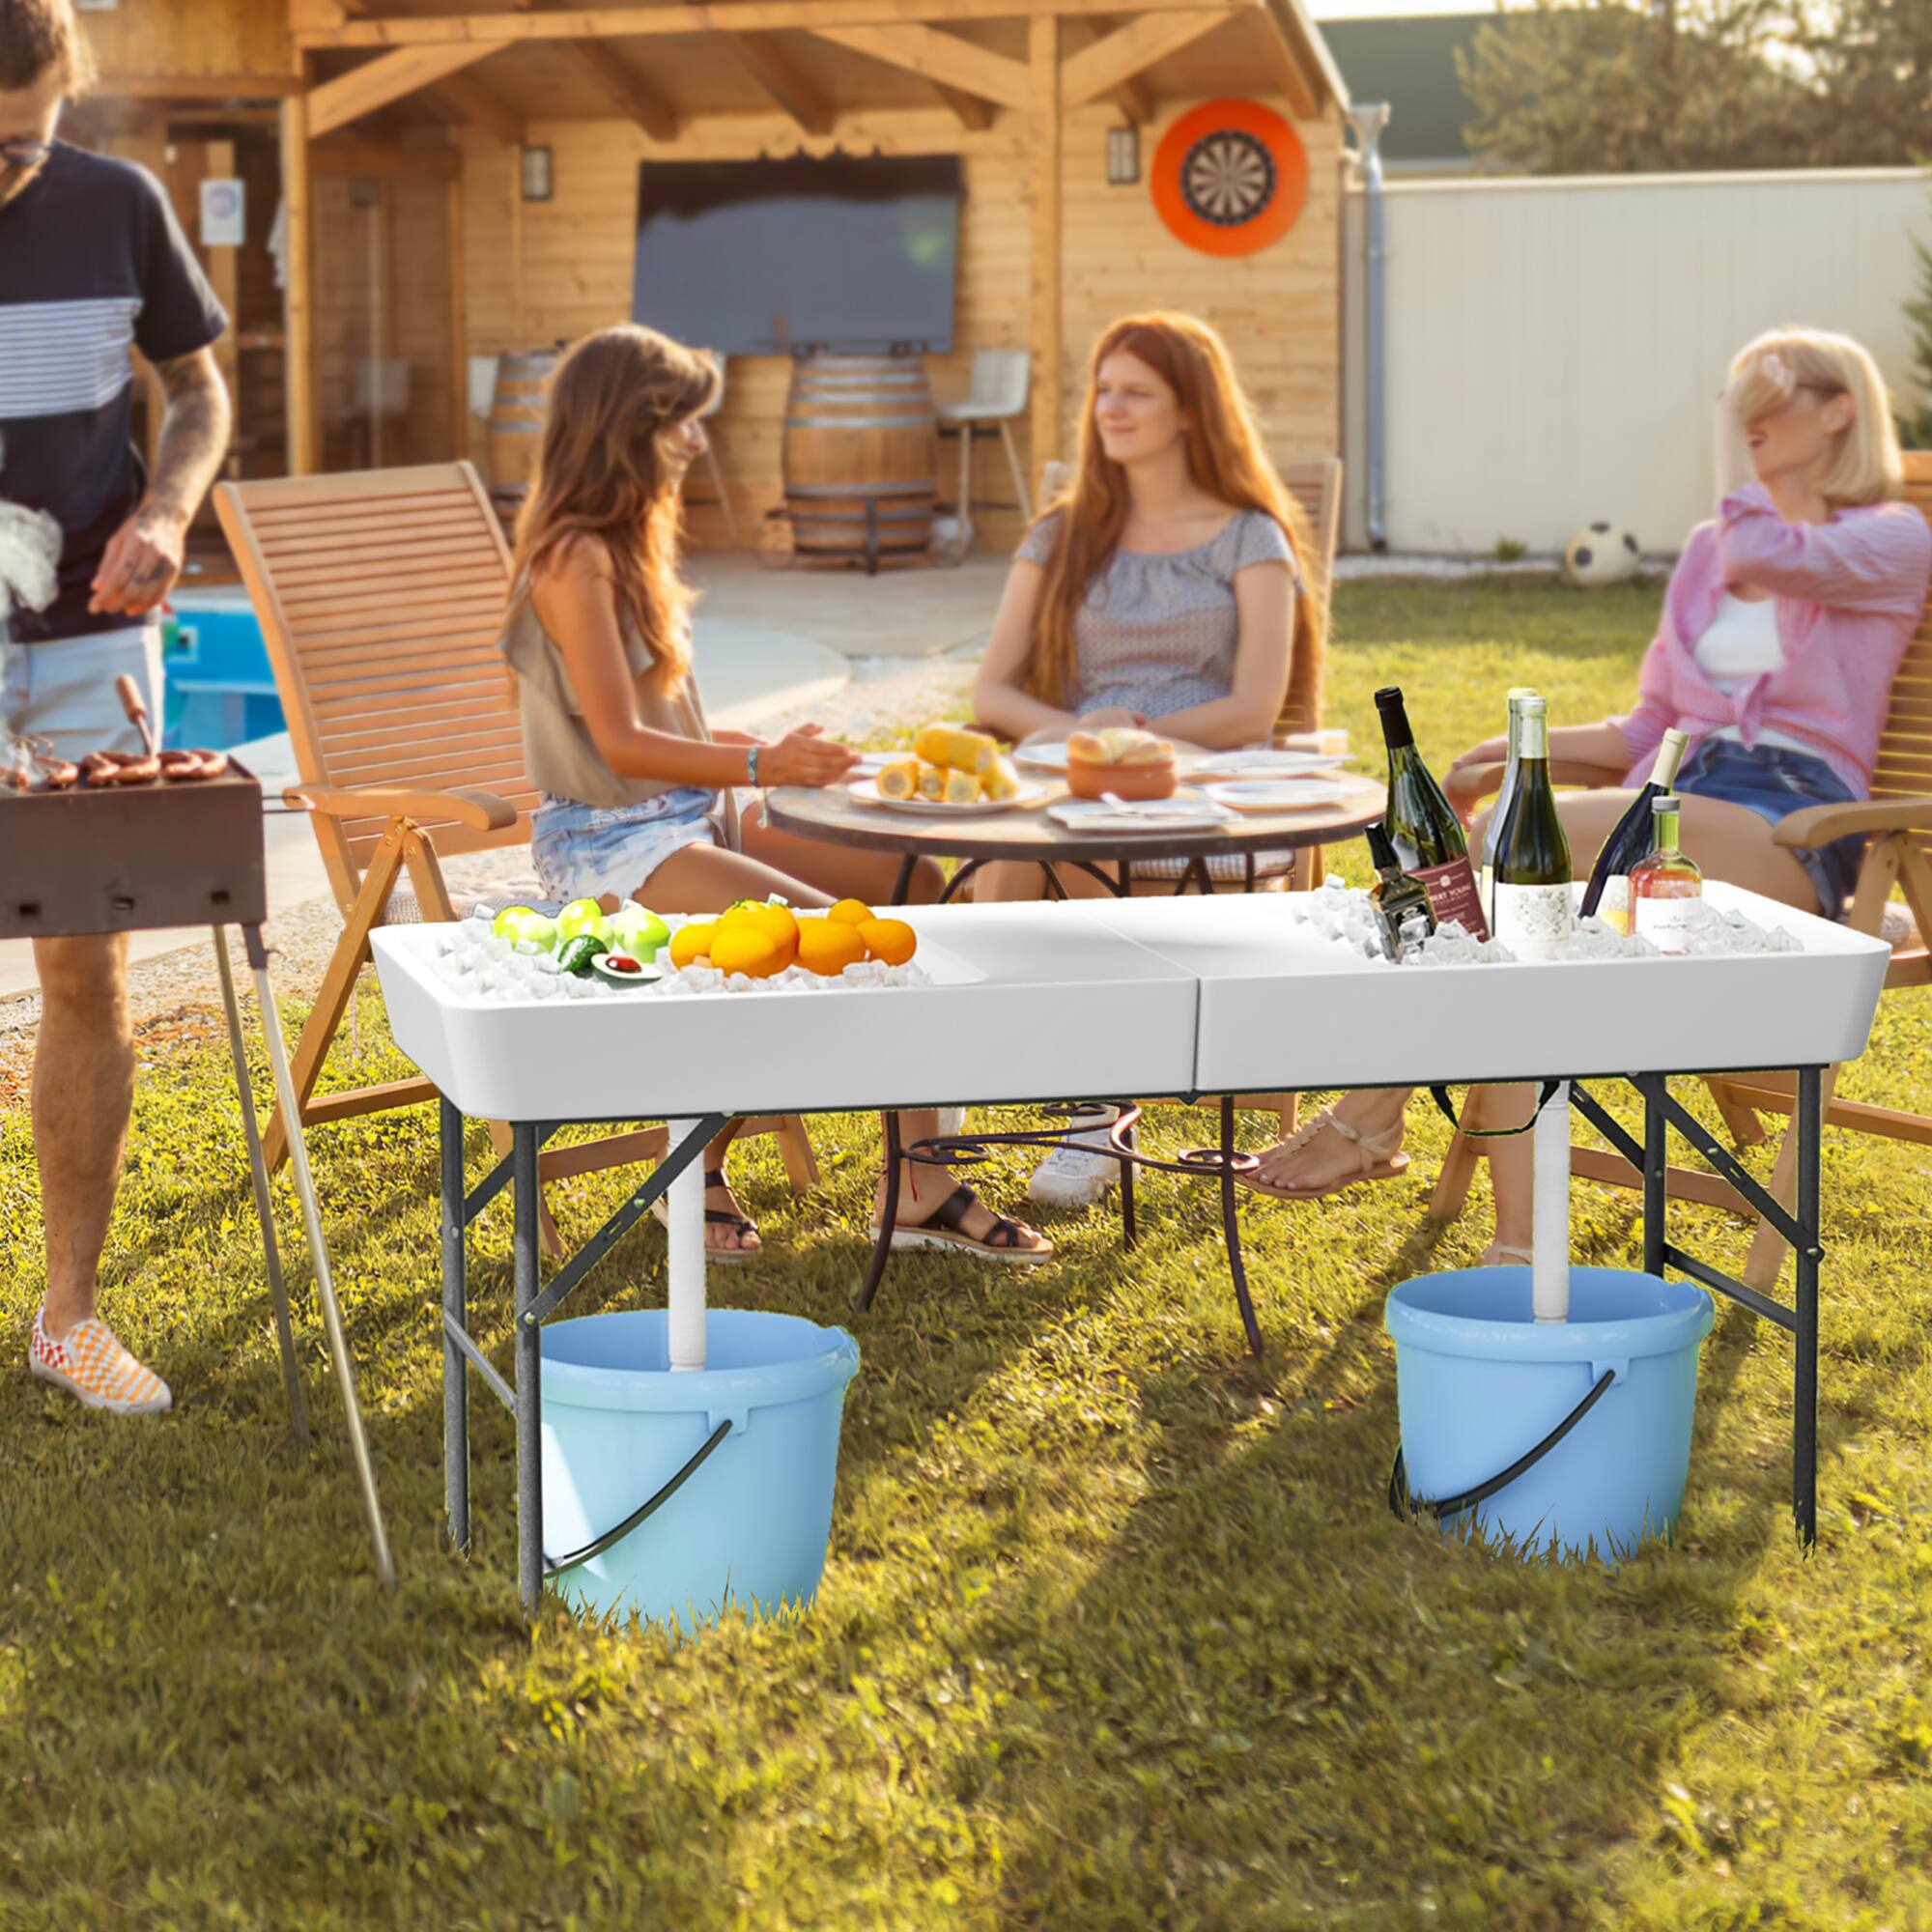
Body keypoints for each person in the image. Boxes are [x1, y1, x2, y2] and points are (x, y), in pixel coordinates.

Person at [1245, 326, 1932, 1262]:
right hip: (1675, 793)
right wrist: (1516, 748)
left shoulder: (1888, 538)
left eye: (1766, 400)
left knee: (1509, 869)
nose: (1744, 418)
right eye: (1737, 404)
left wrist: (1726, 440)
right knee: (1511, 911)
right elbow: (1647, 725)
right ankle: (1514, 1241)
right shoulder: (1705, 552)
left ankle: (1374, 1118)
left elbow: (1773, 554)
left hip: (1792, 825)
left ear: (1837, 409)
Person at [500, 324, 1050, 1262]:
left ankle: (917, 1177)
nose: (697, 441)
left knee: (913, 877)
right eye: (683, 423)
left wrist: (762, 750)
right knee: (840, 941)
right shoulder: (574, 559)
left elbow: (663, 731)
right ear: (630, 428)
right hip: (606, 847)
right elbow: (621, 744)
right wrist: (761, 771)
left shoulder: (629, 541)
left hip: (678, 818)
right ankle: (695, 1160)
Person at [2, 0, 232, 1412]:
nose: (8, 171)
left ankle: (67, 1312)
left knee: (86, 972)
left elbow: (197, 391)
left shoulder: (118, 204)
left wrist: (168, 500)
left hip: (89, 636)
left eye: (26, 138)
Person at [970, 310, 1326, 1206]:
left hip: (1210, 786)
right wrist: (1080, 739)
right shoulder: (1062, 533)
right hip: (1081, 773)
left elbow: (1254, 706)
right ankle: (994, 1089)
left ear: (1190, 413)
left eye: (1137, 393)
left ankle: (1086, 1106)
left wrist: (1141, 745)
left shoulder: (1250, 535)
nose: (1110, 408)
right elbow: (993, 696)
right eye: (1103, 390)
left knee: (1043, 850)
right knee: (1014, 848)